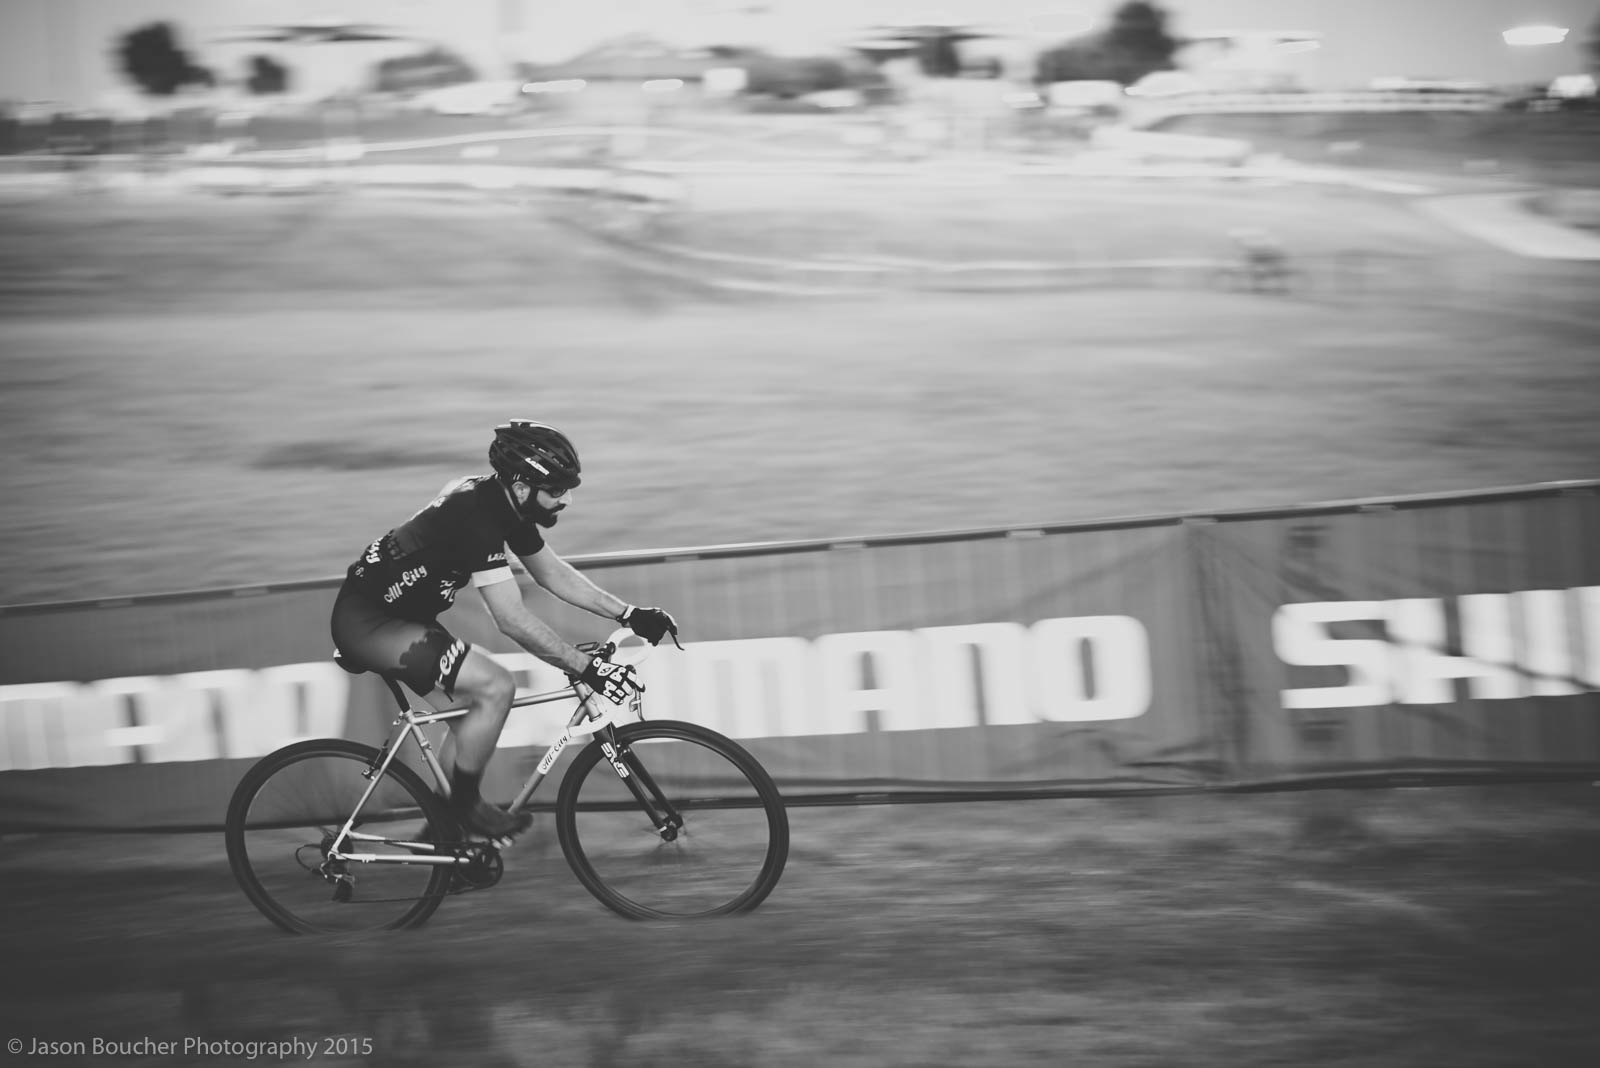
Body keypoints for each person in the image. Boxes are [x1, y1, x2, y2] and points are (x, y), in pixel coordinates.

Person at [330, 419, 680, 839]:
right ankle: (465, 809)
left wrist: (628, 613)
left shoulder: (507, 504)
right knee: (496, 686)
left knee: (469, 719)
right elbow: (510, 618)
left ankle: (443, 836)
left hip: (403, 618)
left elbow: (551, 573)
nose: (566, 499)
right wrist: (586, 667)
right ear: (521, 486)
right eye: (557, 489)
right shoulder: (476, 517)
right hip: (371, 624)